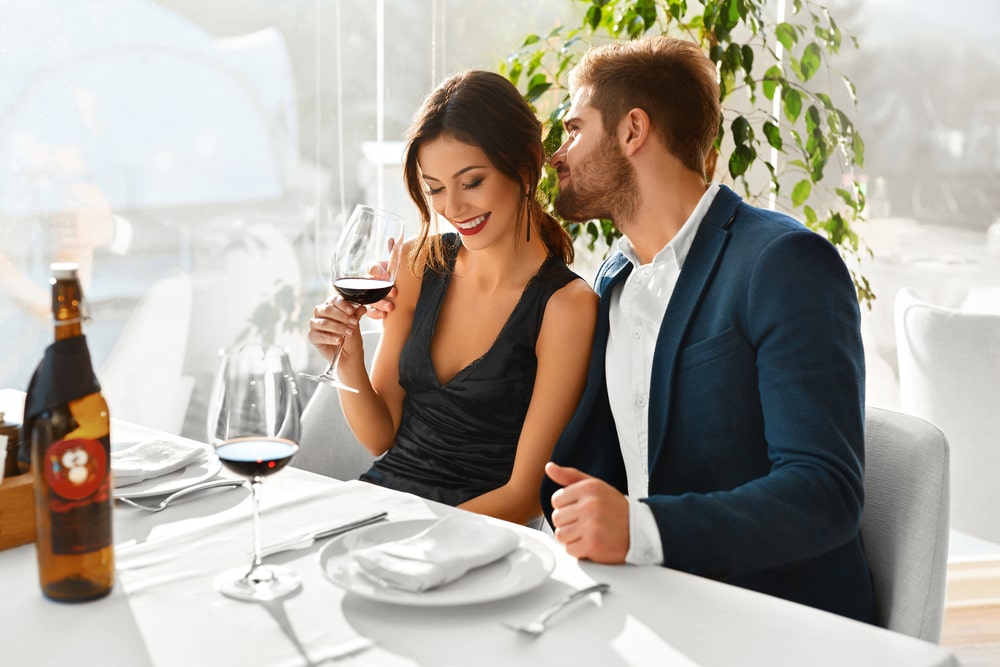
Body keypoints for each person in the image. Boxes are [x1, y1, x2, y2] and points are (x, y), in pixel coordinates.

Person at [540, 35, 875, 624]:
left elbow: (825, 493)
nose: (556, 153)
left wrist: (640, 530)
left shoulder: (784, 263)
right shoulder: (612, 280)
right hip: (643, 604)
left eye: (573, 128)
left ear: (632, 130)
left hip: (780, 622)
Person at [307, 70, 598, 526]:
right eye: (435, 188)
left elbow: (524, 496)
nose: (453, 209)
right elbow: (383, 437)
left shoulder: (566, 306)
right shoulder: (416, 264)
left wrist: (420, 540)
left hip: (473, 539)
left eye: (472, 181)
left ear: (524, 167)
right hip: (380, 510)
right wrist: (347, 357)